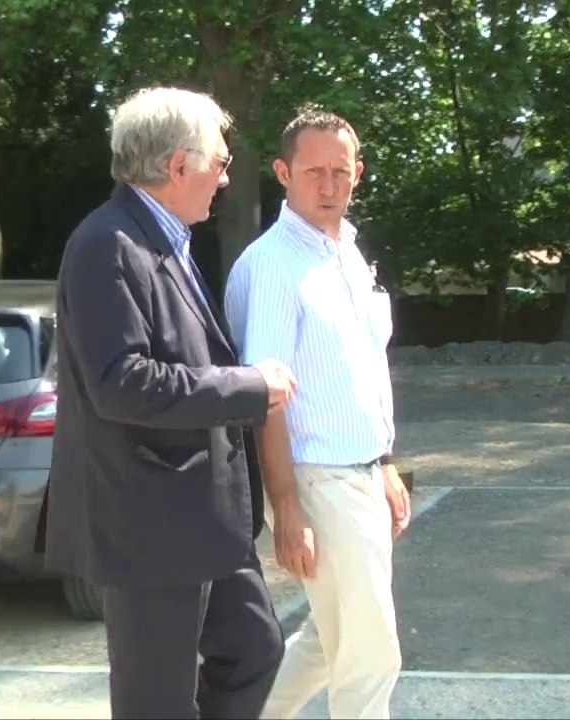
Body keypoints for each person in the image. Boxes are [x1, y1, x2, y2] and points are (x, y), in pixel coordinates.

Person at [41, 85, 297, 719]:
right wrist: (250, 388)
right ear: (180, 165)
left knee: (255, 649)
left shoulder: (165, 240)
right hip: (148, 522)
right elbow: (121, 382)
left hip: (203, 519)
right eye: (220, 161)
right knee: (154, 700)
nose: (227, 177)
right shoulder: (107, 244)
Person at [224, 106, 410, 719]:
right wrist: (287, 504)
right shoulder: (274, 265)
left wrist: (383, 463)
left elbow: (360, 371)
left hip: (360, 473)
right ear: (283, 172)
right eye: (313, 172)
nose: (329, 186)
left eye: (340, 171)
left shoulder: (348, 253)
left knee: (331, 644)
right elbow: (266, 397)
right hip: (316, 478)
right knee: (371, 653)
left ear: (358, 172)